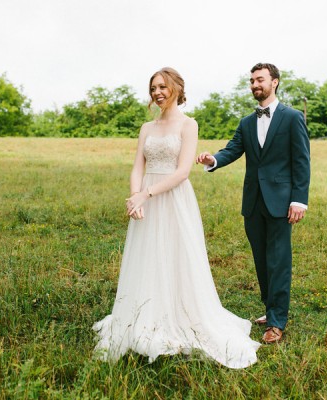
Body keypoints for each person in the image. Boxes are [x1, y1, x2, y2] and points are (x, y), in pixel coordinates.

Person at [93, 67, 260, 369]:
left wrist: (148, 194)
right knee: (147, 258)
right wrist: (135, 197)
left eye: (162, 87)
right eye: (153, 88)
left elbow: (183, 172)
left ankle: (178, 316)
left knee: (176, 256)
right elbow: (136, 167)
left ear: (177, 89)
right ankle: (144, 314)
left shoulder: (188, 125)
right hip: (145, 200)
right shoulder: (146, 127)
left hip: (172, 198)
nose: (157, 92)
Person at [196, 63, 310, 344]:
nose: (254, 85)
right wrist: (213, 161)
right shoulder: (247, 122)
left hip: (282, 203)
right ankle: (270, 309)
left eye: (260, 79)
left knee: (279, 261)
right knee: (261, 259)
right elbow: (233, 149)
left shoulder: (292, 117)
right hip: (253, 202)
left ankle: (277, 321)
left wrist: (299, 200)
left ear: (275, 83)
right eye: (251, 81)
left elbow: (301, 161)